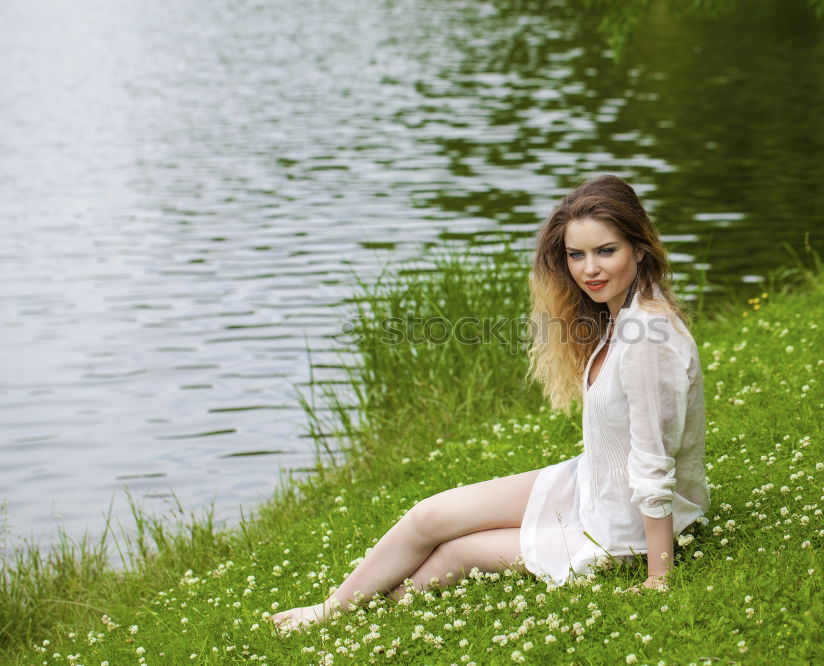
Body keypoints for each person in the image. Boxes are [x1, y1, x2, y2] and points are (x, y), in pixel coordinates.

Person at [271, 174, 710, 632]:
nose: (589, 270)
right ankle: (332, 609)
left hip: (620, 526)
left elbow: (653, 462)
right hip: (592, 483)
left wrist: (659, 575)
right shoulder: (622, 316)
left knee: (455, 553)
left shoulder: (649, 338)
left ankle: (354, 619)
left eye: (606, 251)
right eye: (575, 255)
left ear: (639, 250)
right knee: (430, 515)